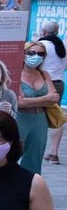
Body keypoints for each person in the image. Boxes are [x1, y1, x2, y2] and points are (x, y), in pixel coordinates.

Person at [17, 40, 60, 174]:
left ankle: (31, 189)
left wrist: (32, 101)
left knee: (34, 159)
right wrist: (45, 99)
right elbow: (20, 103)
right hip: (20, 119)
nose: (36, 56)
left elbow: (55, 98)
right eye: (31, 52)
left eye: (41, 54)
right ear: (23, 54)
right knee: (13, 154)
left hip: (40, 120)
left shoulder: (44, 74)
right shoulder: (16, 73)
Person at [38, 21, 66, 164]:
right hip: (59, 83)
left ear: (43, 31)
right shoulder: (63, 46)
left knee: (38, 115)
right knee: (56, 117)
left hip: (41, 83)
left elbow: (34, 63)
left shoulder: (41, 45)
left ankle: (36, 149)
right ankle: (53, 153)